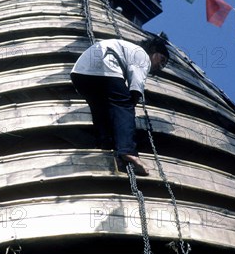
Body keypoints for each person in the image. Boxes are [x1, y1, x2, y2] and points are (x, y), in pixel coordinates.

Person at [70, 35, 169, 176]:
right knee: (124, 106)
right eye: (162, 60)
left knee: (101, 112)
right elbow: (136, 84)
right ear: (153, 50)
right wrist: (130, 105)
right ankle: (128, 151)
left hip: (81, 74)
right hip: (105, 65)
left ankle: (104, 144)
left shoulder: (128, 49)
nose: (161, 66)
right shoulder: (142, 55)